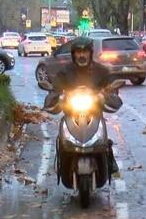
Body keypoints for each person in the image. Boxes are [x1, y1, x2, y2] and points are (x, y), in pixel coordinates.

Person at [43, 37, 122, 172]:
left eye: (85, 52)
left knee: (104, 137)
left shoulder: (101, 71)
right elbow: (55, 89)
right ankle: (62, 158)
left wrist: (105, 94)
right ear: (73, 54)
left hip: (94, 113)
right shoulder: (65, 72)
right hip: (71, 113)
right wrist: (58, 96)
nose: (81, 55)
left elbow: (111, 89)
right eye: (78, 52)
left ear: (90, 53)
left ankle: (108, 157)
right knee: (62, 137)